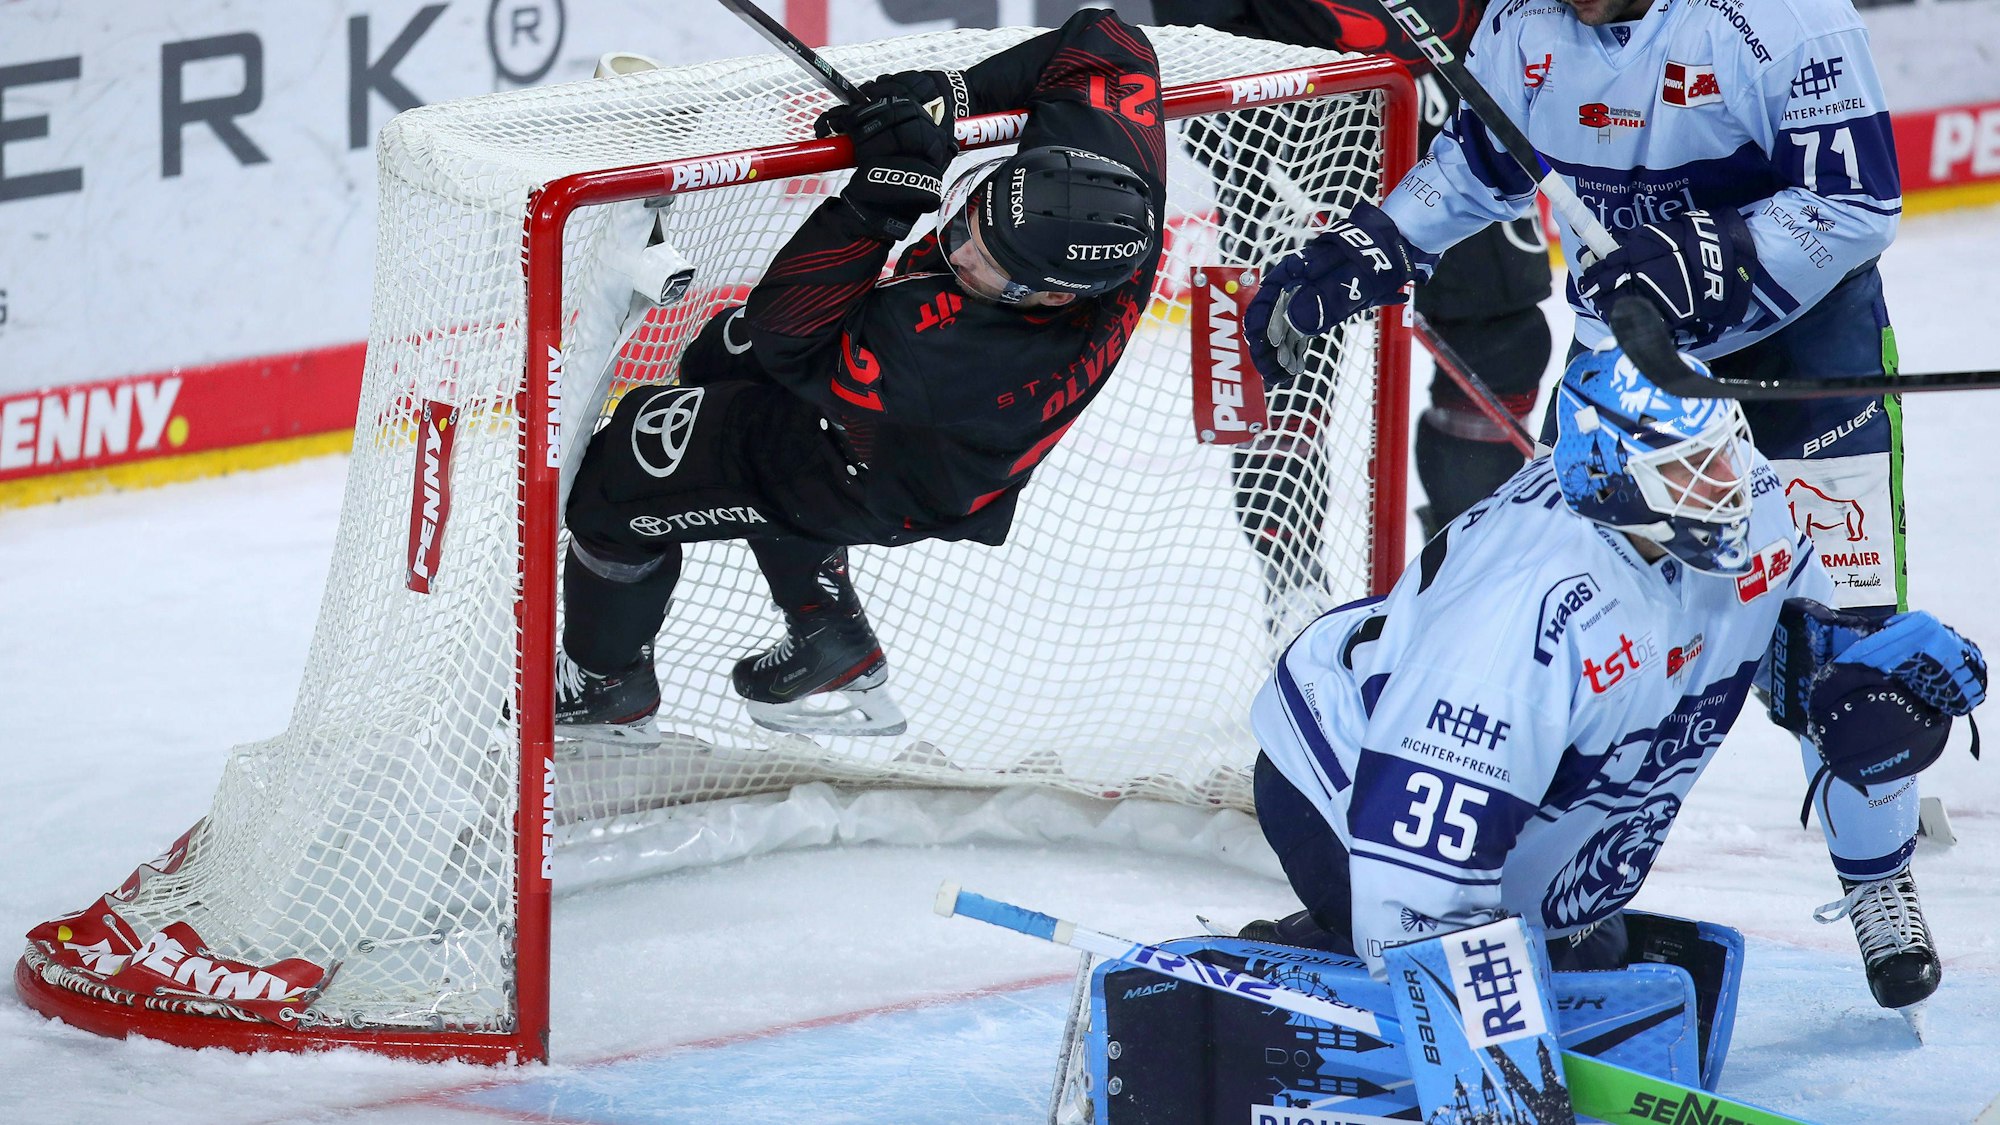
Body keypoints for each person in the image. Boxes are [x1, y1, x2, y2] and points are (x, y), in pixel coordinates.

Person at [1242, 0, 1941, 1008]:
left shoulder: (1785, 19)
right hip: (1631, 351)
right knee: (1585, 621)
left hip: (1800, 349)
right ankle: (1550, 856)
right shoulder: (1521, 20)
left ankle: (1877, 880)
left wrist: (1719, 253)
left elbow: (1854, 205)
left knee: (1846, 648)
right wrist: (1371, 244)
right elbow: (1482, 161)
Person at [1244, 349, 1985, 1019]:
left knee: (1582, 957)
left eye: (1724, 452)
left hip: (1498, 789)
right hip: (1348, 790)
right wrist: (1496, 1062)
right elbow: (1417, 888)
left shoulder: (1742, 500)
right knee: (1476, 974)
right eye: (1691, 471)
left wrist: (1858, 673)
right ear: (1608, 477)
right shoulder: (1524, 616)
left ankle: (1364, 944)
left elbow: (1804, 659)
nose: (1728, 489)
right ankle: (1314, 964)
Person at [555, 9, 1164, 741]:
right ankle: (828, 637)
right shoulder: (1110, 197)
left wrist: (886, 196)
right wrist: (951, 97)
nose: (959, 243)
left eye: (984, 259)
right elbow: (1109, 42)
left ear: (1055, 295)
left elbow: (787, 335)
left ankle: (606, 685)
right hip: (918, 437)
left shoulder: (936, 360)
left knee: (619, 476)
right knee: (718, 358)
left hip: (883, 470)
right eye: (972, 215)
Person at [1154, 0, 1554, 551]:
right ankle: (1291, 584)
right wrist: (1224, 94)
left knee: (1505, 344)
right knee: (1271, 359)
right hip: (1290, 104)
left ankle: (1465, 568)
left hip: (1454, 88)